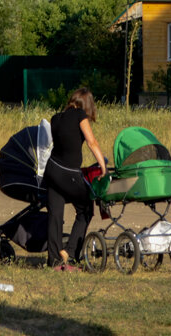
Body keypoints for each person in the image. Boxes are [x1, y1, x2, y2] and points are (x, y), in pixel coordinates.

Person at [45, 87, 106, 271]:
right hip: (68, 173)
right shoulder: (80, 115)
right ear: (87, 105)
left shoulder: (55, 118)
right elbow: (91, 142)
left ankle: (54, 260)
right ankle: (71, 253)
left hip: (51, 171)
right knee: (86, 208)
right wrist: (102, 165)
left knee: (55, 215)